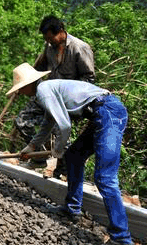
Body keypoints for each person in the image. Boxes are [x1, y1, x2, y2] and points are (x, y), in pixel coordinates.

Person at [8, 62, 134, 245]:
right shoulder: (47, 89)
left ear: (26, 86)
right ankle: (71, 209)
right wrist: (31, 147)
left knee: (104, 177)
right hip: (103, 113)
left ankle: (122, 239)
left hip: (108, 112)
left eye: (20, 90)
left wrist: (56, 151)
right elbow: (49, 123)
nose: (21, 94)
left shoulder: (43, 91)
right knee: (73, 157)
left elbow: (64, 126)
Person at [14, 15, 95, 173]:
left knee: (61, 132)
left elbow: (89, 79)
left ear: (61, 32)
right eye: (46, 38)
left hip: (68, 98)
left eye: (51, 37)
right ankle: (38, 158)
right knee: (22, 121)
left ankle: (63, 172)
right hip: (48, 93)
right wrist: (24, 84)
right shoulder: (49, 47)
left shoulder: (79, 48)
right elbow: (38, 68)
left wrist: (72, 97)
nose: (49, 41)